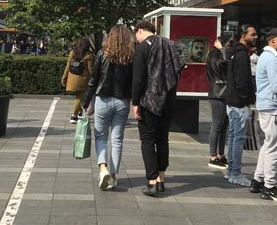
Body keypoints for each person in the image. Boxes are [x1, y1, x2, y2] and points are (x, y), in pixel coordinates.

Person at [132, 20, 185, 197]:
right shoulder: (170, 44)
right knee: (163, 139)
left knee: (147, 139)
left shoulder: (142, 48)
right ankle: (161, 178)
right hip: (168, 98)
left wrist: (135, 102)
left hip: (149, 100)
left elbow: (138, 79)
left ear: (139, 31)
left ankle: (152, 181)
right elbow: (179, 67)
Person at [83, 25, 134, 190]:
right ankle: (113, 174)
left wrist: (86, 101)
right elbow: (133, 82)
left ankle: (103, 168)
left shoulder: (101, 54)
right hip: (122, 101)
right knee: (117, 139)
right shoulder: (130, 56)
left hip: (103, 99)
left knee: (101, 136)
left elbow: (93, 80)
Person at [250, 28, 277, 202]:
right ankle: (269, 186)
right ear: (272, 41)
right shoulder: (273, 59)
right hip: (274, 108)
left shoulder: (267, 57)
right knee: (275, 148)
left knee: (268, 145)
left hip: (268, 106)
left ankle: (258, 179)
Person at [225, 24, 258, 186]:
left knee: (233, 137)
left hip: (231, 101)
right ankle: (236, 173)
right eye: (252, 34)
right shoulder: (242, 55)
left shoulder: (234, 52)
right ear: (243, 36)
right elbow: (243, 81)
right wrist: (247, 100)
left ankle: (231, 171)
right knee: (238, 138)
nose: (255, 37)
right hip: (239, 103)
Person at [206, 34, 230, 169]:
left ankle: (221, 155)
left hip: (224, 94)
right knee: (216, 125)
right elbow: (225, 63)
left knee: (223, 127)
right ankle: (213, 156)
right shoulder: (215, 56)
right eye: (227, 44)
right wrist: (222, 50)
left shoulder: (220, 55)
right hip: (217, 94)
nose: (228, 47)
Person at [62, 37, 94, 123]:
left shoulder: (73, 52)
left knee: (78, 97)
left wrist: (64, 77)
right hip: (83, 79)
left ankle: (80, 112)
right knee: (79, 97)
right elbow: (90, 69)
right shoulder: (89, 54)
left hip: (72, 78)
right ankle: (74, 116)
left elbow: (68, 66)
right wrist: (94, 78)